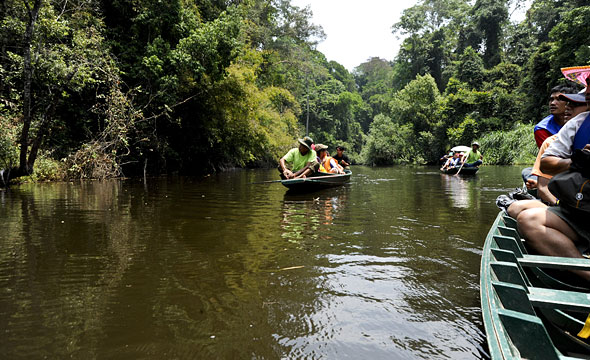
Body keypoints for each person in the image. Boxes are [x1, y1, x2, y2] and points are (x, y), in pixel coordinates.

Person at [517, 66, 590, 281]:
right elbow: (547, 164)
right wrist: (576, 162)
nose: (586, 92)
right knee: (527, 218)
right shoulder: (578, 124)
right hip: (580, 211)